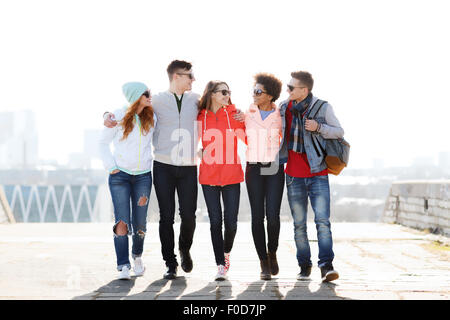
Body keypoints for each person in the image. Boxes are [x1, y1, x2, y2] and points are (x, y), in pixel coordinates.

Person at [104, 60, 198, 279]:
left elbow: (216, 105)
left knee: (189, 216)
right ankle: (170, 262)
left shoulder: (196, 100)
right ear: (177, 76)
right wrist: (107, 114)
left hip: (189, 166)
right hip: (163, 166)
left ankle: (184, 248)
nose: (193, 79)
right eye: (190, 75)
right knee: (166, 217)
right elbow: (130, 107)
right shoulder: (155, 101)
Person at [278, 71, 344, 282]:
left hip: (318, 174)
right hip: (293, 176)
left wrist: (319, 127)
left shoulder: (322, 107)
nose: (287, 91)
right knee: (299, 224)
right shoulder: (283, 107)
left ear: (304, 90)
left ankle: (326, 266)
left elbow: (339, 132)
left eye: (291, 88)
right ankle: (304, 265)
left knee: (322, 222)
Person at [99, 82, 156, 280]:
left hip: (143, 176)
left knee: (140, 222)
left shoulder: (152, 116)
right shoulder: (119, 115)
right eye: (146, 93)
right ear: (135, 96)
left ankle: (137, 256)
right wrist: (110, 166)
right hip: (119, 176)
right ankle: (123, 264)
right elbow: (102, 142)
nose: (150, 96)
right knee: (122, 221)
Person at [197, 81, 246, 281]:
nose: (228, 95)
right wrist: (197, 151)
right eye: (223, 92)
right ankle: (220, 265)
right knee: (215, 221)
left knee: (231, 223)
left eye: (229, 92)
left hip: (232, 175)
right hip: (208, 176)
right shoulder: (200, 117)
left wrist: (246, 119)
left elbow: (250, 139)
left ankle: (226, 252)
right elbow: (186, 140)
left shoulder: (233, 115)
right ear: (212, 94)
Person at [244, 73, 284, 280]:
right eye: (254, 90)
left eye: (259, 92)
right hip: (254, 168)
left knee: (273, 216)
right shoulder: (246, 115)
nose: (254, 94)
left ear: (270, 96)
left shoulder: (281, 116)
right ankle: (263, 262)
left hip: (274, 168)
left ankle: (272, 252)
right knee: (257, 216)